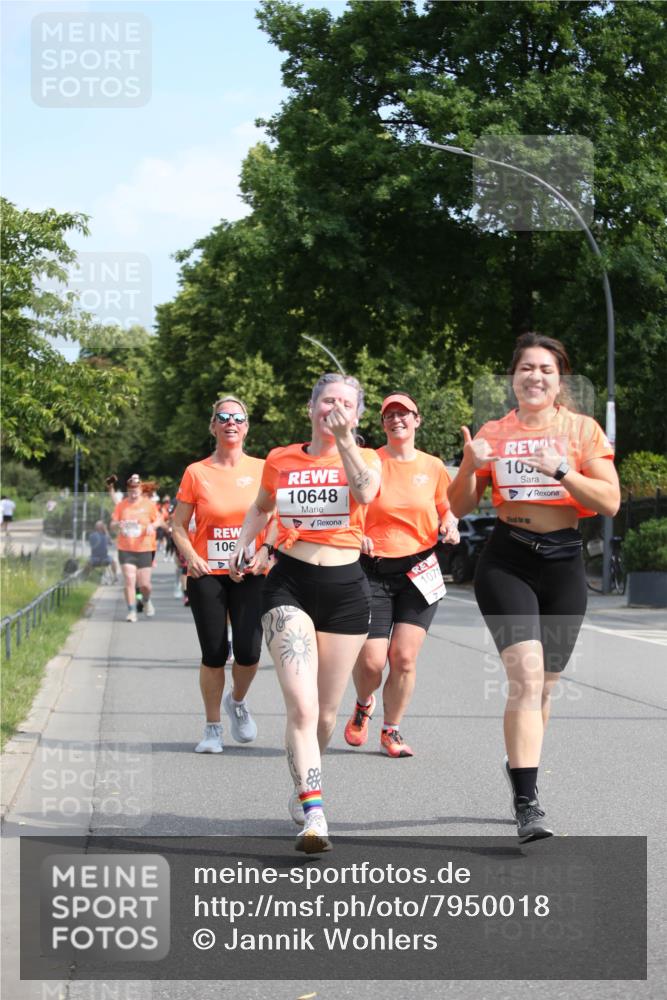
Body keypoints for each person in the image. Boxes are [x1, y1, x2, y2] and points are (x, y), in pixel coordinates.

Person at [448, 332, 620, 843]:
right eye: (526, 368)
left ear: (559, 379)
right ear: (513, 377)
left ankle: (520, 766)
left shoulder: (582, 430)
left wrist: (563, 469)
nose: (535, 376)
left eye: (545, 368)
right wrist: (469, 462)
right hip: (508, 559)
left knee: (544, 688)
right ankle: (528, 803)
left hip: (564, 563)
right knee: (524, 678)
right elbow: (458, 506)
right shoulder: (493, 432)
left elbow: (609, 502)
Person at [230, 373, 381, 854]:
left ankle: (304, 775)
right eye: (327, 400)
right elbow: (261, 506)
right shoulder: (281, 458)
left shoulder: (365, 455)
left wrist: (344, 442)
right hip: (288, 583)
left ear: (356, 415)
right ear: (311, 407)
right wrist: (242, 542)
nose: (335, 408)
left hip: (346, 589)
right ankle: (315, 813)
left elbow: (365, 494)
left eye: (346, 404)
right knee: (302, 704)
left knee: (326, 713)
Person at [343, 391, 460, 758]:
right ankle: (364, 703)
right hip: (373, 569)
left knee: (405, 658)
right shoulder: (369, 461)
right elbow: (351, 503)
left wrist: (450, 524)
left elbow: (447, 507)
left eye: (404, 414)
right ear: (382, 423)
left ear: (417, 420)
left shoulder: (433, 466)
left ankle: (391, 731)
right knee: (372, 660)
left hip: (420, 569)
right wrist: (354, 533)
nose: (397, 420)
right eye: (389, 415)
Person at [172, 396, 272, 755]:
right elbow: (178, 525)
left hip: (251, 572)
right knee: (213, 653)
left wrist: (264, 552)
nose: (231, 422)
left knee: (248, 652)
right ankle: (212, 727)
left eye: (238, 418)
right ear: (213, 425)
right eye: (223, 417)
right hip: (208, 573)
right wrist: (192, 557)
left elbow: (276, 518)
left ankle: (238, 702)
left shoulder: (264, 468)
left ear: (246, 426)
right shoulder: (196, 472)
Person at [110, 474, 160, 622]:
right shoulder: (121, 505)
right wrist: (117, 525)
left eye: (136, 488)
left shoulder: (148, 504)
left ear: (141, 488)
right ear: (128, 489)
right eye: (131, 488)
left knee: (145, 585)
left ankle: (146, 600)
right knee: (129, 580)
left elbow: (158, 519)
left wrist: (152, 525)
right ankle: (131, 611)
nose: (134, 491)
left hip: (145, 548)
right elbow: (112, 524)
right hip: (126, 548)